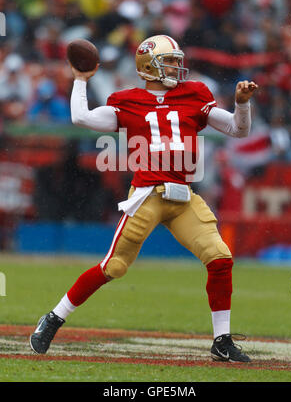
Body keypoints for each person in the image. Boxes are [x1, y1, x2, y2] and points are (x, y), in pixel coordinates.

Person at [30, 34, 259, 362]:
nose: (178, 68)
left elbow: (239, 130)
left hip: (184, 198)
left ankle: (221, 341)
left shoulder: (195, 95)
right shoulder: (127, 100)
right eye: (170, 62)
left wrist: (242, 103)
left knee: (220, 258)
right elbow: (81, 118)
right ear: (149, 67)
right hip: (148, 195)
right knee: (114, 266)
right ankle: (53, 317)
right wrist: (80, 80)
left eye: (178, 61)